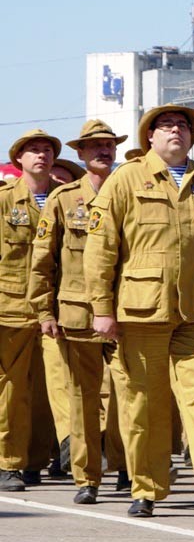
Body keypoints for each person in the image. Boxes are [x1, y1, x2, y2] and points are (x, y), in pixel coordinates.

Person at [84, 104, 194, 517]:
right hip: (141, 309)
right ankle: (146, 487)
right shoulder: (125, 179)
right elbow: (101, 248)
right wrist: (101, 309)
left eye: (184, 125)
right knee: (145, 402)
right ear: (150, 136)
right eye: (166, 126)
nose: (176, 131)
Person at [28, 120, 126, 505]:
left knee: (129, 395)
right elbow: (42, 259)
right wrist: (44, 310)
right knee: (83, 397)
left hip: (127, 311)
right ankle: (87, 476)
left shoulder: (130, 191)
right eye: (94, 146)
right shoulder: (64, 198)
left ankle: (126, 467)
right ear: (81, 154)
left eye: (108, 145)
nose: (103, 151)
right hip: (76, 314)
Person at [0, 129, 62, 492]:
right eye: (33, 150)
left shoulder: (67, 198)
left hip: (58, 309)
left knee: (47, 391)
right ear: (19, 159)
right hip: (12, 307)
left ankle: (36, 460)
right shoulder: (6, 201)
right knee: (11, 389)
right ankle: (8, 462)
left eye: (47, 150)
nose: (41, 155)